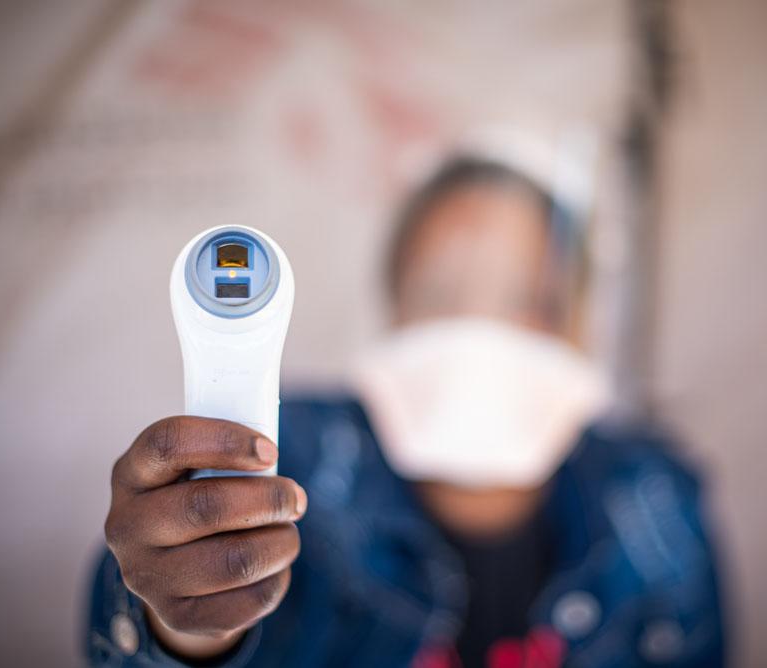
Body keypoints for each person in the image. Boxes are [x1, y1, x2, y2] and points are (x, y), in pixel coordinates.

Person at [87, 156, 726, 667]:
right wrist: (184, 626)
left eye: (528, 298)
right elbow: (151, 624)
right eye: (442, 291)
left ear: (578, 328)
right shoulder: (283, 456)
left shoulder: (656, 497)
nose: (482, 325)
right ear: (393, 312)